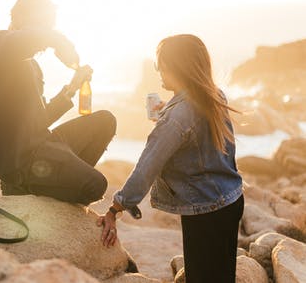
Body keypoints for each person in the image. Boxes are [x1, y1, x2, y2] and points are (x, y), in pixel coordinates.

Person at [98, 34, 244, 283]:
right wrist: (168, 112)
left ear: (176, 66)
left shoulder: (177, 118)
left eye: (160, 65)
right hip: (230, 200)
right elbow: (199, 134)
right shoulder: (213, 95)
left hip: (204, 211)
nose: (159, 72)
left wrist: (115, 209)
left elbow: (146, 168)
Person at [0, 0, 116, 205]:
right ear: (20, 19)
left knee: (105, 121)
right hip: (22, 164)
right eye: (45, 24)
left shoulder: (32, 66)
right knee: (96, 185)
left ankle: (56, 183)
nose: (47, 32)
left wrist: (72, 88)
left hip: (44, 145)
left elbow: (39, 120)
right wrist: (58, 40)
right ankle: (27, 190)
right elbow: (27, 39)